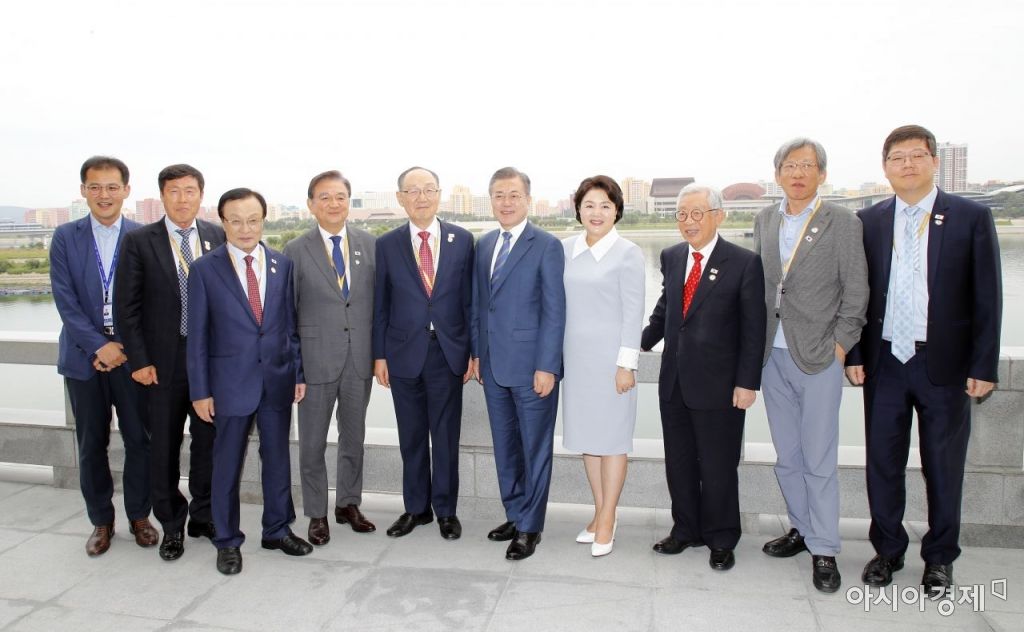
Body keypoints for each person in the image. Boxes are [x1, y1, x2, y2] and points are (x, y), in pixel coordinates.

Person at [845, 125, 1002, 598]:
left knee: (943, 465)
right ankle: (888, 550)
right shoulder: (868, 220)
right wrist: (855, 352)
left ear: (934, 161)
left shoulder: (970, 216)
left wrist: (983, 365)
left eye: (916, 155)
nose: (907, 164)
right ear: (885, 168)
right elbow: (856, 294)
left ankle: (939, 558)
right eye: (897, 157)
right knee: (883, 462)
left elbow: (988, 296)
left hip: (944, 364)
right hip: (885, 361)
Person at [752, 138, 868, 593]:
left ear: (822, 174)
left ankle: (824, 547)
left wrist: (841, 347)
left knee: (819, 457)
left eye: (807, 165)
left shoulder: (842, 221)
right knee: (788, 455)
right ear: (777, 173)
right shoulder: (765, 218)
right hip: (771, 355)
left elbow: (856, 291)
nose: (797, 173)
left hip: (818, 355)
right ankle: (801, 528)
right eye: (790, 165)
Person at [641, 183, 766, 571]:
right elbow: (666, 309)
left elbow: (754, 330)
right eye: (682, 214)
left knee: (718, 466)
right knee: (679, 464)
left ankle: (722, 537)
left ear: (718, 216)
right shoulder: (672, 256)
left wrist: (747, 383)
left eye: (697, 213)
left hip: (720, 386)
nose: (688, 222)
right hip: (674, 382)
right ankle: (685, 529)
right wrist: (636, 344)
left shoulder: (743, 262)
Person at [187, 187, 311, 575]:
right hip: (228, 384)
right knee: (226, 465)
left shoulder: (280, 264)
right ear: (223, 222)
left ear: (263, 220)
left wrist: (297, 373)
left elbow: (289, 326)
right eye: (236, 221)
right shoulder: (204, 269)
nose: (245, 229)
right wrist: (200, 391)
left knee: (277, 459)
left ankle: (277, 529)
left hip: (276, 380)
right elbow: (197, 337)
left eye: (253, 220)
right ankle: (227, 540)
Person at [114, 164, 225, 561]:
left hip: (209, 361)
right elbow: (126, 308)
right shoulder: (139, 241)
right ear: (162, 196)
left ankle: (204, 516)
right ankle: (173, 525)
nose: (182, 199)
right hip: (162, 363)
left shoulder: (217, 236)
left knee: (210, 442)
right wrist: (139, 360)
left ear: (201, 195)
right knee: (163, 445)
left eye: (190, 191)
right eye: (174, 191)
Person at [51, 155, 157, 556]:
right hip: (84, 360)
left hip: (132, 359)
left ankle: (139, 516)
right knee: (91, 444)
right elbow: (65, 300)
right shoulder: (66, 237)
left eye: (112, 186)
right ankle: (101, 521)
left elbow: (152, 302)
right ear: (83, 191)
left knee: (139, 441)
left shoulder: (143, 235)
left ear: (126, 190)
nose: (104, 194)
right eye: (95, 187)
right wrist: (99, 346)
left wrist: (122, 348)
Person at [372, 166, 474, 540]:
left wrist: (473, 352)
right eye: (412, 191)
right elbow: (381, 305)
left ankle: (446, 510)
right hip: (402, 354)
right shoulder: (387, 244)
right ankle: (416, 509)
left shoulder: (462, 240)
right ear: (401, 198)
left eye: (428, 189)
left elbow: (470, 302)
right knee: (411, 436)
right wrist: (379, 356)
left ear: (439, 195)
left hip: (448, 353)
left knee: (445, 437)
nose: (421, 197)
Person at [471, 166, 566, 561]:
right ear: (491, 200)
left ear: (528, 200)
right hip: (493, 366)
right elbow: (479, 304)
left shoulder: (546, 245)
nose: (506, 202)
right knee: (505, 446)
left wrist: (547, 366)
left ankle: (530, 527)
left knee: (534, 449)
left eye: (513, 195)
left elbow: (554, 311)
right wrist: (477, 353)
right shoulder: (484, 243)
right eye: (499, 195)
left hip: (532, 369)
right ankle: (514, 513)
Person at [283, 171, 377, 545]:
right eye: (324, 197)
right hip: (315, 361)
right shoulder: (295, 249)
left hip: (359, 359)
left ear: (349, 202)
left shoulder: (370, 244)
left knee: (354, 438)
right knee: (312, 445)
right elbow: (287, 315)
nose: (333, 204)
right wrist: (295, 369)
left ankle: (348, 504)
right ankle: (317, 513)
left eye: (340, 197)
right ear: (311, 204)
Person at [560, 175, 644, 557]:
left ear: (617, 211)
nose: (597, 213)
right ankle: (599, 512)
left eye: (605, 206)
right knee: (589, 441)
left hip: (611, 363)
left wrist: (626, 364)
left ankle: (609, 517)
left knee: (612, 441)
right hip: (577, 362)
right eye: (589, 205)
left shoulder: (628, 253)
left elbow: (633, 313)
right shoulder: (565, 250)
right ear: (578, 209)